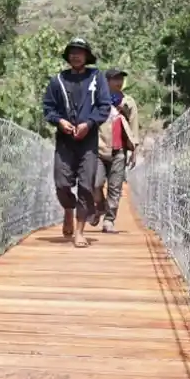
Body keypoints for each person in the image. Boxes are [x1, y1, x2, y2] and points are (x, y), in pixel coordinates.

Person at [41, 37, 111, 247]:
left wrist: (89, 124)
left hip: (88, 140)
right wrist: (60, 121)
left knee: (86, 185)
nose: (76, 56)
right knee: (61, 184)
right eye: (72, 52)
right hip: (65, 141)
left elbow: (104, 106)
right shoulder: (58, 81)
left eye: (80, 52)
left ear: (86, 56)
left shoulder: (97, 78)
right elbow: (48, 108)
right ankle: (68, 209)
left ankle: (80, 231)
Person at [95, 68, 140, 233]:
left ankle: (109, 220)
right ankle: (99, 204)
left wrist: (134, 150)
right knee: (95, 183)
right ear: (106, 81)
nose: (119, 82)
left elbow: (134, 126)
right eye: (115, 79)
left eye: (120, 79)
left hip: (119, 149)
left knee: (115, 187)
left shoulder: (128, 102)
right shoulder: (97, 99)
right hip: (98, 148)